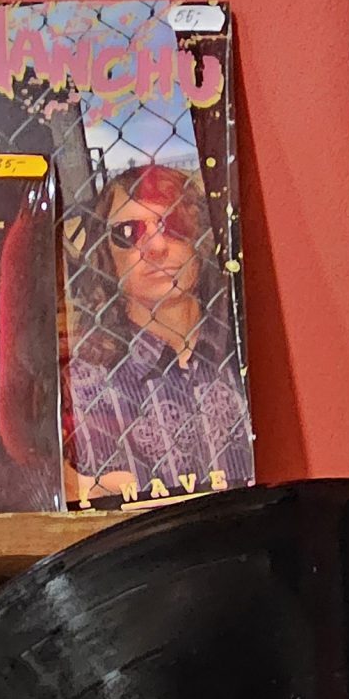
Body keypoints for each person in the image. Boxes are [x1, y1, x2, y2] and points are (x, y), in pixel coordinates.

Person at [64, 165, 252, 504]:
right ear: (106, 255)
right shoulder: (85, 387)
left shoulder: (247, 350)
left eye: (174, 224)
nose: (155, 246)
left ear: (200, 238)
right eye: (128, 232)